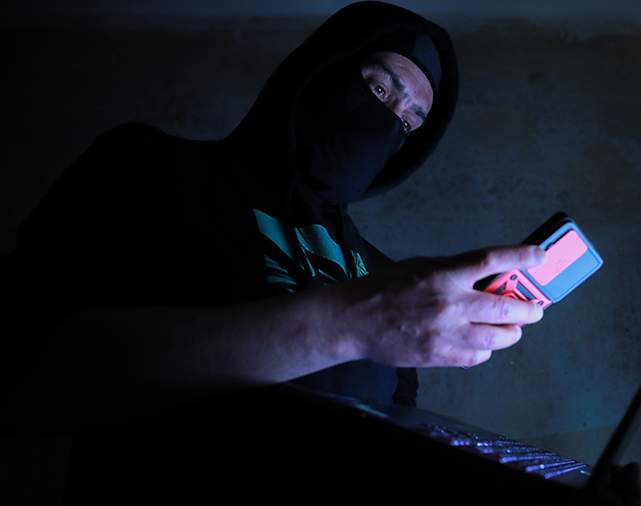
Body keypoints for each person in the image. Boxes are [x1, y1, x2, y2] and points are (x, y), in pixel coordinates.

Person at [0, 1, 546, 427]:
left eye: (407, 122)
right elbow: (30, 371)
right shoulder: (146, 167)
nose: (387, 121)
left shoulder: (389, 277)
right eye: (378, 87)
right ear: (322, 69)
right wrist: (353, 322)